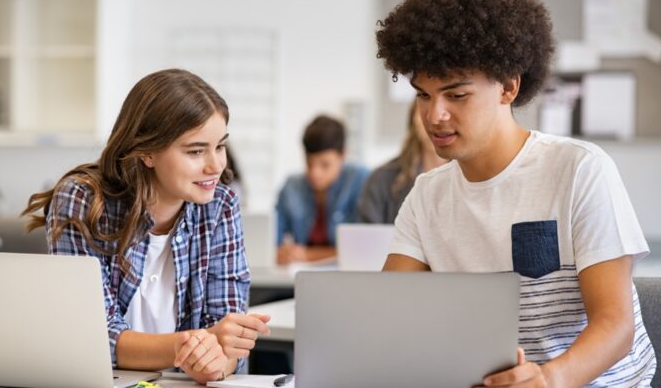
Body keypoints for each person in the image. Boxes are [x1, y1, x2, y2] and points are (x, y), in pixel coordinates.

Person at [376, 0, 656, 387]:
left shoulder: (579, 169)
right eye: (423, 94)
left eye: (456, 95)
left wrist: (548, 380)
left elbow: (615, 327)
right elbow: (386, 315)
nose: (434, 115)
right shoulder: (427, 196)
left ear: (509, 87)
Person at [22, 69, 270, 385]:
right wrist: (194, 344)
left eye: (220, 146)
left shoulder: (221, 206)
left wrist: (217, 363)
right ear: (147, 152)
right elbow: (94, 335)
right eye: (196, 151)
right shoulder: (83, 200)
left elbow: (229, 335)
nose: (216, 165)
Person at [275, 115, 368, 264]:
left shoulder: (361, 180)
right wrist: (282, 253)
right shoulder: (291, 186)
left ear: (343, 155)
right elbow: (271, 243)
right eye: (309, 163)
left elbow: (363, 249)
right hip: (299, 276)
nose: (315, 173)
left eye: (325, 164)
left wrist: (307, 255)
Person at [356, 101, 447, 224]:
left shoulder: (472, 178)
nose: (435, 121)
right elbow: (368, 238)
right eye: (426, 112)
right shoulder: (380, 180)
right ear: (413, 120)